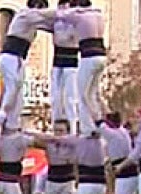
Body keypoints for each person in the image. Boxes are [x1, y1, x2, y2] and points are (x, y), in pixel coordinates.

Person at [0, 0, 55, 131]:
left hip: (19, 58)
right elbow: (51, 17)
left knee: (18, 93)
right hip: (10, 56)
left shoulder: (33, 20)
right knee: (12, 89)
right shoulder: (26, 14)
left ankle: (12, 123)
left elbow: (48, 26)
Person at [57, 0, 107, 136]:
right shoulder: (98, 14)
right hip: (102, 56)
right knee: (93, 93)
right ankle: (101, 120)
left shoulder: (79, 16)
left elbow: (59, 15)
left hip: (88, 57)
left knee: (82, 94)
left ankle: (88, 129)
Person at [100, 112, 137, 194]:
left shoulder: (111, 134)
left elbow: (99, 123)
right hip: (131, 173)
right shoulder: (123, 132)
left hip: (124, 173)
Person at [51, 0, 79, 129]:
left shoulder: (76, 22)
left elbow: (69, 40)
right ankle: (56, 124)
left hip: (71, 62)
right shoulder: (56, 22)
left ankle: (72, 127)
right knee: (56, 97)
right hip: (57, 62)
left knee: (70, 97)